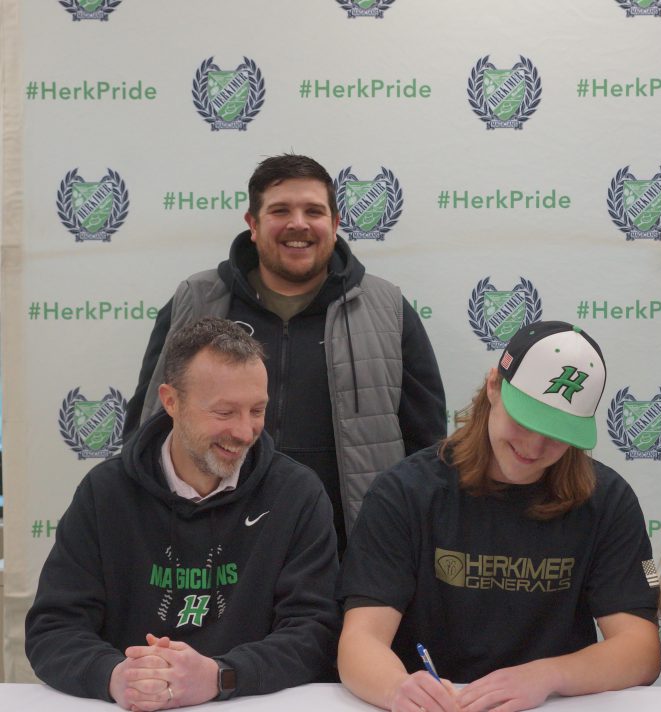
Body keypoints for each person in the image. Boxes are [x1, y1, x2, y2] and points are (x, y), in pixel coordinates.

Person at [124, 154, 446, 560]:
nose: (298, 224)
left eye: (314, 211)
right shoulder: (197, 299)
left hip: (352, 552)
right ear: (253, 225)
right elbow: (149, 423)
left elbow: (427, 445)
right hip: (211, 548)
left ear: (335, 223)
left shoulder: (388, 309)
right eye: (280, 211)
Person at [337, 321, 661, 712]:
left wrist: (547, 676)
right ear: (494, 386)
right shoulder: (405, 492)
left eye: (557, 433)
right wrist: (397, 689)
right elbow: (360, 640)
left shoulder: (606, 500)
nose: (534, 446)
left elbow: (641, 651)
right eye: (525, 420)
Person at [26, 318, 340, 710]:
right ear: (171, 401)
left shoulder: (297, 493)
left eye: (257, 410)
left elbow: (314, 632)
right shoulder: (105, 493)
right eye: (225, 413)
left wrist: (221, 676)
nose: (245, 431)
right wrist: (115, 676)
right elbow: (53, 628)